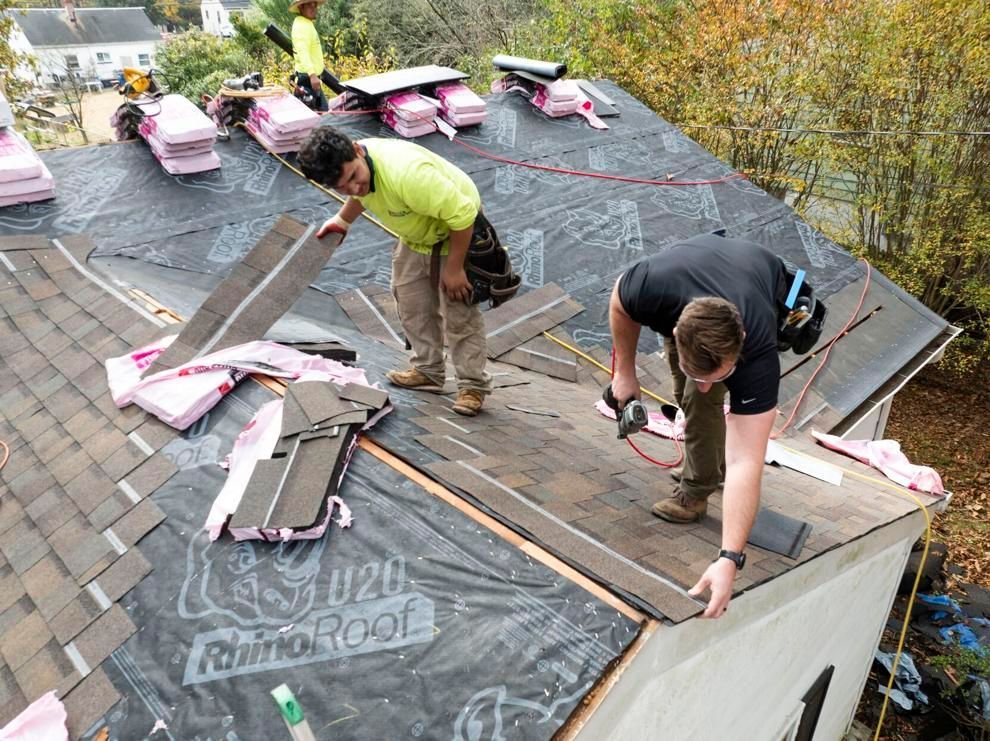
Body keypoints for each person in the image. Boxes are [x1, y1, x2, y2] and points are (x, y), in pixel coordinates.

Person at [608, 233, 787, 618]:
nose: (707, 385)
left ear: (741, 342)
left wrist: (729, 558)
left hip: (759, 279)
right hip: (694, 270)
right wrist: (625, 372)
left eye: (717, 375)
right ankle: (705, 461)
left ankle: (697, 491)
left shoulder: (758, 352)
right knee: (690, 396)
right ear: (675, 334)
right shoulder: (649, 288)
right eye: (698, 373)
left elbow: (746, 461)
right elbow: (619, 302)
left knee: (702, 402)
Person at [297, 126, 495, 416]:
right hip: (417, 235)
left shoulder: (409, 174)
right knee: (411, 301)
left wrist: (454, 269)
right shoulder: (355, 169)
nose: (353, 189)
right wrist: (342, 220)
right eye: (342, 187)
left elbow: (463, 217)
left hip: (455, 234)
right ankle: (428, 371)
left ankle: (472, 385)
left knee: (459, 311)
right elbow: (360, 194)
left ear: (358, 150)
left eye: (353, 177)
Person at [289, 0, 328, 112]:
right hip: (307, 79)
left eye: (314, 5)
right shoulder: (301, 26)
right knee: (322, 115)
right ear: (301, 7)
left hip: (309, 79)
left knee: (318, 115)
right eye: (309, 5)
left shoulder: (306, 23)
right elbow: (302, 52)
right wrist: (312, 75)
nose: (313, 8)